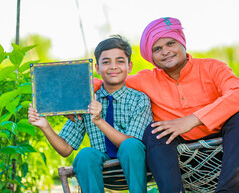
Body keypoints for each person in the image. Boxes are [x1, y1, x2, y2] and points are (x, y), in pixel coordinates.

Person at [94, 17, 239, 193]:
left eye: (170, 43)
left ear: (182, 43)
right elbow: (111, 79)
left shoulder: (212, 68)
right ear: (151, 56)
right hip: (182, 162)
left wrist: (192, 120)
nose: (165, 52)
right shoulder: (146, 79)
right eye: (157, 49)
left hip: (226, 154)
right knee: (153, 132)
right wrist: (87, 92)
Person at [28, 35, 153, 193]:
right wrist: (45, 126)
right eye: (106, 62)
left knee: (130, 145)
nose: (113, 67)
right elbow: (65, 149)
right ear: (97, 68)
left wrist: (99, 121)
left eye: (120, 61)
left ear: (129, 67)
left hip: (136, 168)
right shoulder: (86, 100)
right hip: (103, 171)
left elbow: (132, 145)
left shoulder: (139, 99)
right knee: (85, 154)